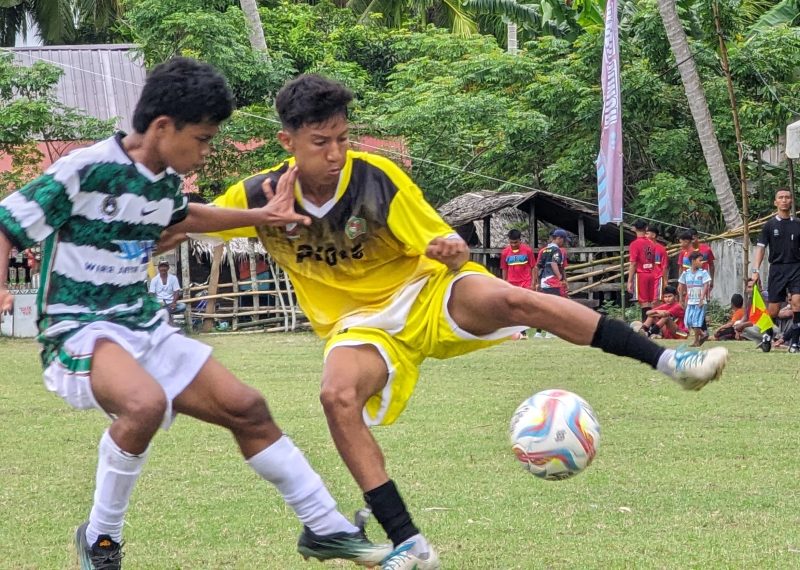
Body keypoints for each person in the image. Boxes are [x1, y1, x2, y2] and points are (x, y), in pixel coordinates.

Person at [185, 74, 727, 570]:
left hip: (425, 291)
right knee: (336, 396)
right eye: (320, 142)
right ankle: (407, 543)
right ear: (288, 142)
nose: (335, 153)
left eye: (342, 139)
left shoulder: (376, 180)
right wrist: (154, 219)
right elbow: (195, 224)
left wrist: (449, 247)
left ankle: (670, 361)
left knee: (517, 300)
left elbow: (443, 244)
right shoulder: (258, 195)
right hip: (360, 327)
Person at [0, 59, 390, 570]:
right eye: (203, 139)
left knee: (247, 408)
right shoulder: (84, 168)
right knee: (143, 404)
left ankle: (327, 529)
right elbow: (7, 224)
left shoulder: (162, 180)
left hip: (142, 325)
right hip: (79, 328)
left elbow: (187, 215)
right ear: (163, 127)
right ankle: (100, 541)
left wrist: (260, 217)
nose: (207, 152)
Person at [750, 188, 800, 353]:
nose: (784, 200)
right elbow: (761, 249)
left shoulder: (797, 224)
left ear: (791, 201)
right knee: (773, 309)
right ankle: (767, 333)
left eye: (787, 197)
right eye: (781, 197)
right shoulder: (769, 226)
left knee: (797, 304)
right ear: (775, 202)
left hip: (796, 267)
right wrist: (755, 270)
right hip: (777, 269)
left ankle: (794, 342)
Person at [499, 229, 536, 339]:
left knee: (523, 306)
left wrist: (533, 283)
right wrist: (504, 283)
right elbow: (504, 268)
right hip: (511, 283)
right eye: (511, 242)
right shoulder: (505, 252)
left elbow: (533, 266)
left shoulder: (527, 251)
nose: (513, 245)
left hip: (525, 282)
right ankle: (517, 331)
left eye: (515, 242)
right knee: (514, 307)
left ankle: (523, 331)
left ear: (520, 240)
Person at [533, 228, 568, 339]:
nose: (564, 242)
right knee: (554, 307)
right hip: (552, 281)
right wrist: (561, 277)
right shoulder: (557, 250)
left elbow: (536, 267)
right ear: (558, 238)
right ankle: (550, 332)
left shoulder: (543, 250)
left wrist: (537, 282)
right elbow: (555, 264)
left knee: (544, 307)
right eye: (563, 240)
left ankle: (538, 333)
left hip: (543, 281)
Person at [679, 251, 712, 347]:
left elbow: (706, 285)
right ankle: (702, 334)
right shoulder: (686, 273)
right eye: (700, 260)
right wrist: (681, 299)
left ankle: (696, 341)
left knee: (696, 321)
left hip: (699, 301)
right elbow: (681, 285)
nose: (702, 262)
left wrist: (702, 298)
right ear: (693, 261)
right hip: (690, 301)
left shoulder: (703, 273)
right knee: (688, 321)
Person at [627, 219, 658, 322]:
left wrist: (630, 280)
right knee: (651, 301)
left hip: (642, 274)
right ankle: (652, 326)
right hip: (652, 273)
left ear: (634, 228)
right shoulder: (651, 243)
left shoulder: (634, 244)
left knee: (644, 301)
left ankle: (646, 326)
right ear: (646, 229)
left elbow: (633, 263)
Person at [646, 224, 669, 296]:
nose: (644, 236)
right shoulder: (644, 248)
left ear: (653, 235)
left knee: (656, 300)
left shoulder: (661, 249)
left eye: (647, 233)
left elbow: (664, 266)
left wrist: (665, 281)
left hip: (657, 278)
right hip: (646, 278)